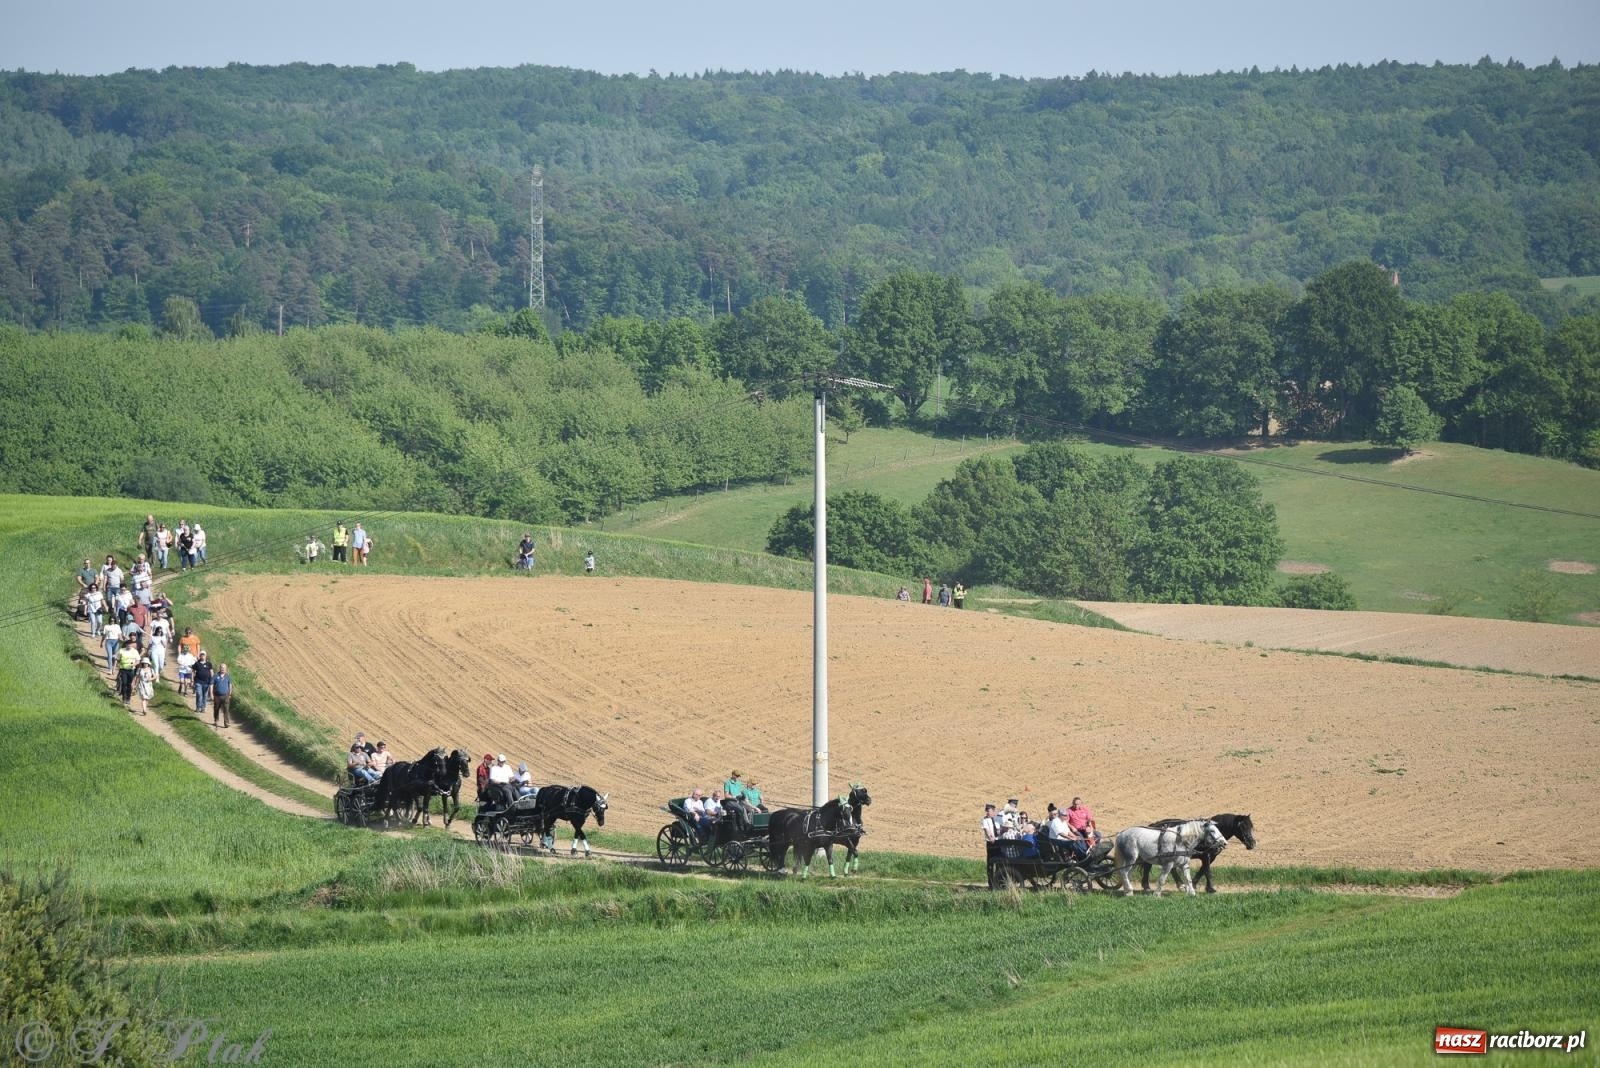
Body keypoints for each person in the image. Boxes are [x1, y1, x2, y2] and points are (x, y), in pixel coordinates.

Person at [192, 652, 214, 716]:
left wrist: (211, 680)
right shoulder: (197, 663)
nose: (203, 656)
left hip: (206, 682)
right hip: (198, 682)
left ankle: (203, 708)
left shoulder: (209, 664)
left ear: (206, 656)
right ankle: (198, 707)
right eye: (201, 655)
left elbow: (211, 672)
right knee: (199, 694)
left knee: (205, 696)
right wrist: (192, 679)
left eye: (204, 655)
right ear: (200, 656)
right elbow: (193, 671)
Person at [211, 662, 233, 728]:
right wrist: (211, 694)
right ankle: (216, 720)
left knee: (226, 709)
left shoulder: (228, 676)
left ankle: (226, 723)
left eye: (224, 668)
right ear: (219, 668)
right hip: (217, 696)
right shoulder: (215, 676)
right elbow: (211, 685)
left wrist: (230, 693)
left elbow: (230, 685)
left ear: (226, 669)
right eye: (221, 667)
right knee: (216, 709)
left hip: (226, 696)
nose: (223, 669)